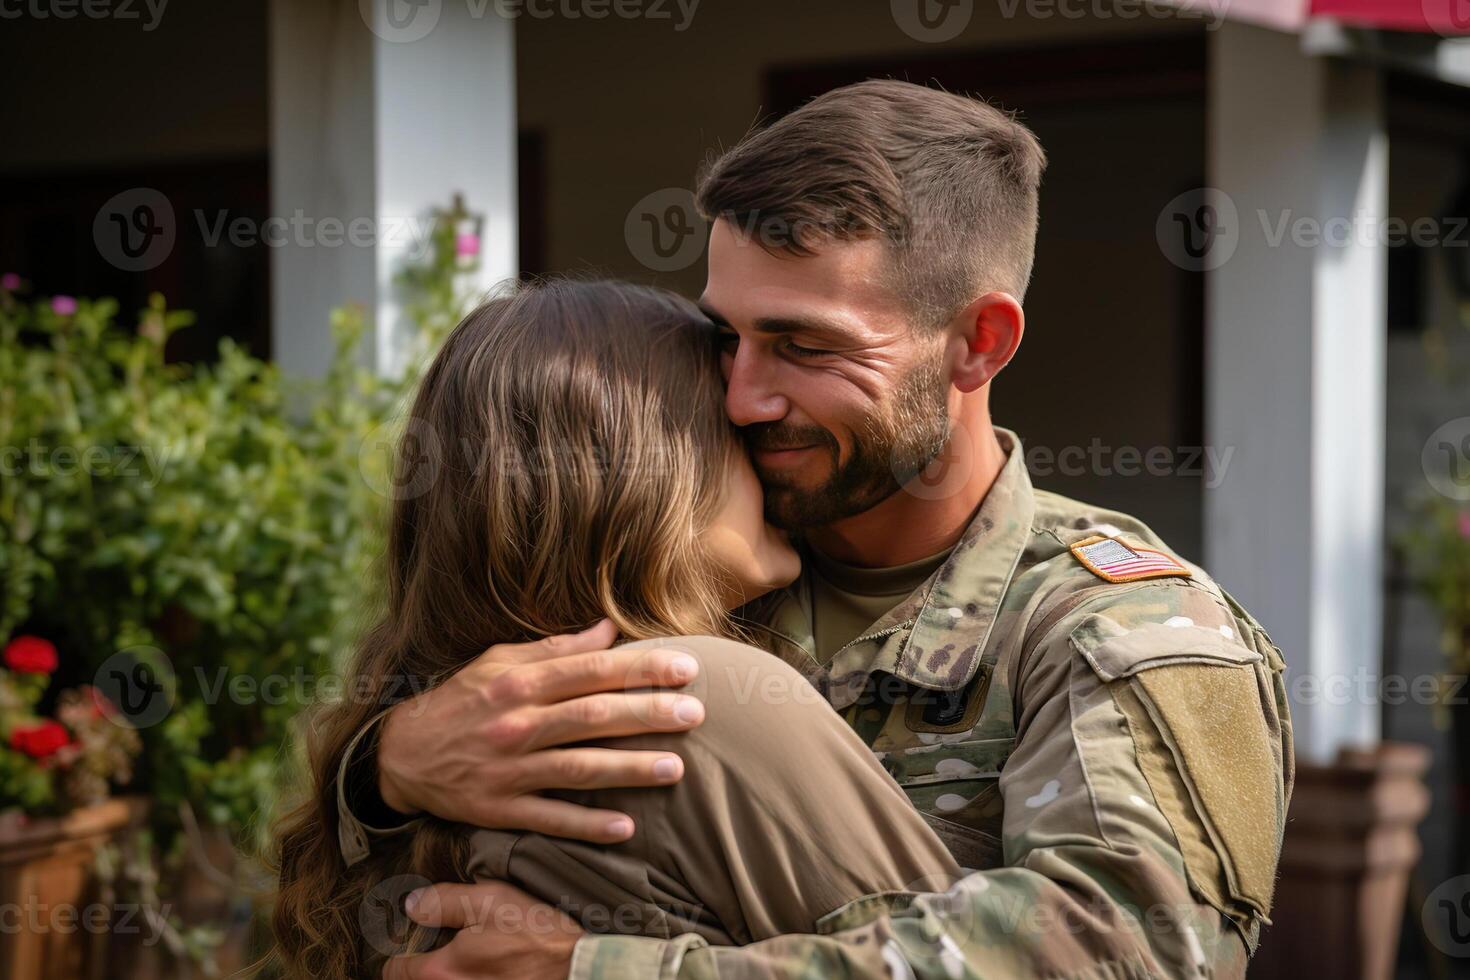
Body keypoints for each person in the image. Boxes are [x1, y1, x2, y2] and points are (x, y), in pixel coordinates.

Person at [352, 80, 1295, 979]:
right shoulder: (689, 555)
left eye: (806, 347)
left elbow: (1144, 953)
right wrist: (387, 766)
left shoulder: (1122, 626)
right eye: (728, 338)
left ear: (980, 343)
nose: (745, 396)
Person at [268, 279, 965, 979]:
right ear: (655, 474)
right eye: (734, 435)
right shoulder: (698, 694)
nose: (772, 461)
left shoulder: (426, 748)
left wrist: (376, 767)